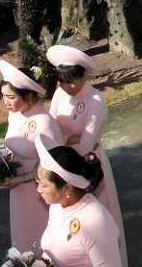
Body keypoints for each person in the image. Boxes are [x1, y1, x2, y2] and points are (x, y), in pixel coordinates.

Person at [47, 45, 127, 265]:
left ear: (84, 75)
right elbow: (51, 130)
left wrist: (65, 140)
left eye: (71, 81)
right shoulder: (60, 93)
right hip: (62, 165)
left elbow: (85, 146)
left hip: (88, 165)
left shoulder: (95, 101)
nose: (66, 87)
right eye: (61, 82)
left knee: (96, 223)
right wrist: (68, 138)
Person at [0, 60, 63, 252]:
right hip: (17, 189)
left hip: (39, 190)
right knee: (23, 237)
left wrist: (22, 179)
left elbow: (54, 164)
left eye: (11, 97)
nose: (6, 102)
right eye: (3, 96)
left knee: (41, 237)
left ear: (28, 96)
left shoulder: (44, 123)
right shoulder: (15, 114)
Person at [34, 135, 123, 267]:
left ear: (67, 188)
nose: (38, 190)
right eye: (37, 183)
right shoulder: (57, 206)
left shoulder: (97, 223)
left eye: (43, 185)